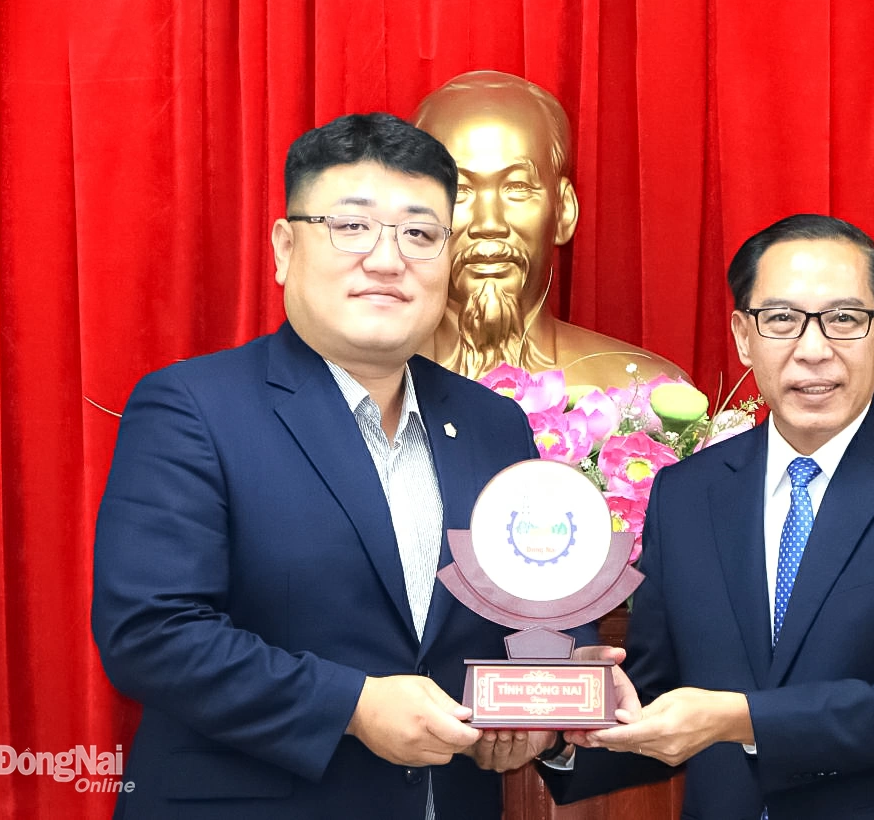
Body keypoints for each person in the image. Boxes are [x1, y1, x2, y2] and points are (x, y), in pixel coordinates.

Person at [92, 112, 579, 820]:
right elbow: (151, 634)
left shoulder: (492, 423)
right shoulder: (192, 407)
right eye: (351, 227)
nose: (387, 260)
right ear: (286, 247)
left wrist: (546, 706)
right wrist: (352, 706)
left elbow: (540, 603)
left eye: (420, 233)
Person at [548, 214, 874, 818]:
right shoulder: (686, 493)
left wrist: (736, 719)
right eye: (781, 320)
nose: (813, 350)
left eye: (845, 319)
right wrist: (575, 721)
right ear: (744, 336)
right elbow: (661, 695)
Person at [412, 71, 689, 390]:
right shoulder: (363, 391)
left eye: (517, 187)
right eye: (459, 190)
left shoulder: (646, 393)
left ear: (564, 211)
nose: (489, 224)